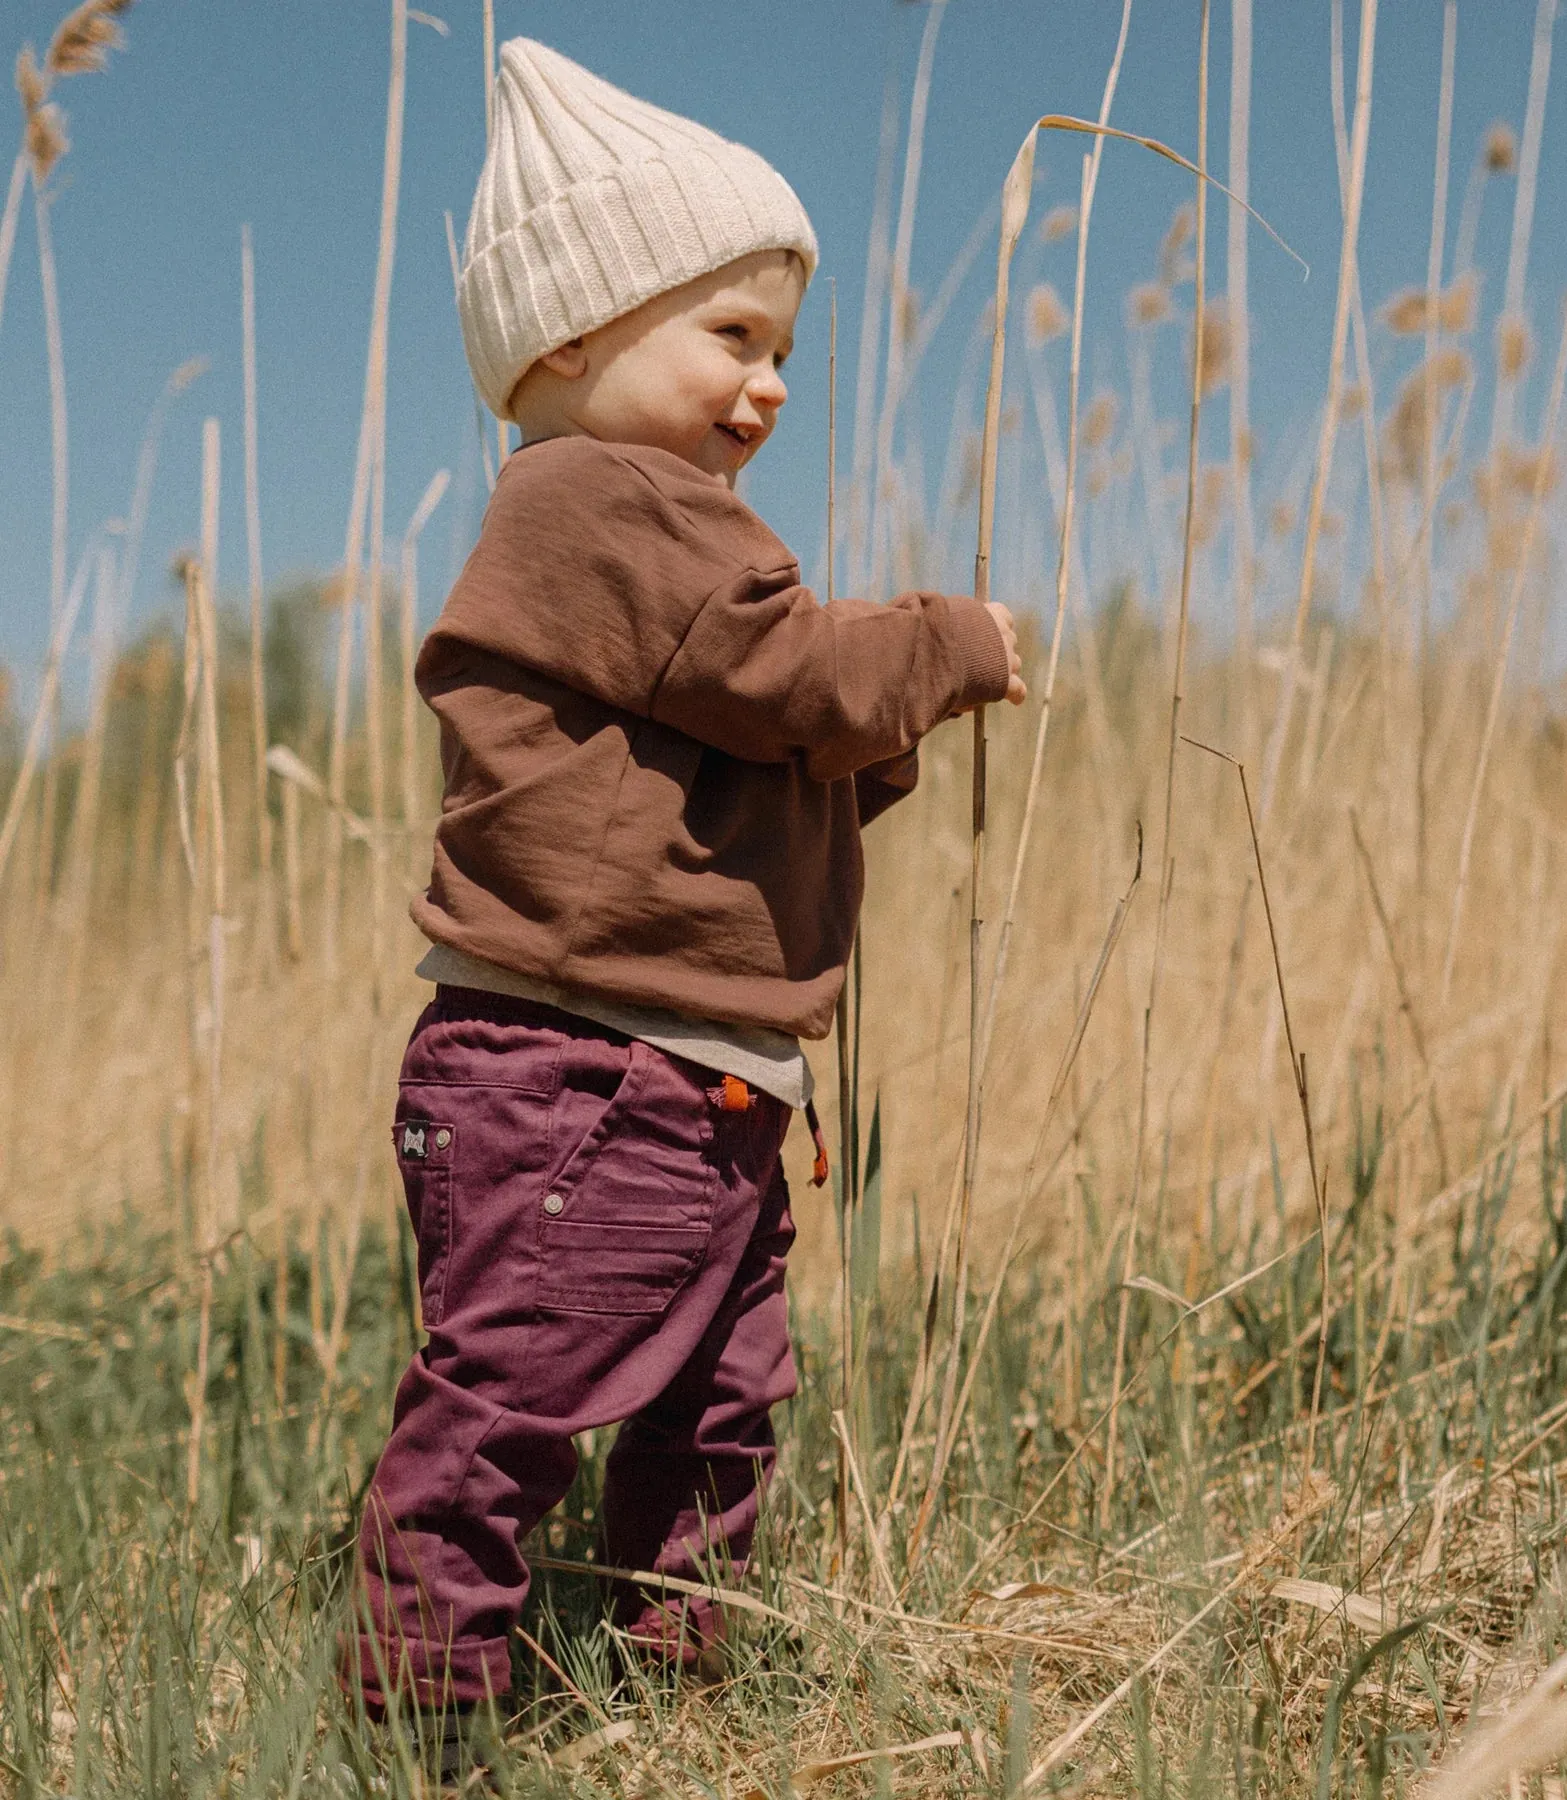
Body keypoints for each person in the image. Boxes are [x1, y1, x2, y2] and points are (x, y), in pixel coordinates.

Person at [349, 33, 1025, 1754]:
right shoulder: (601, 496)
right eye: (731, 334)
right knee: (516, 1392)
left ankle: (668, 1700)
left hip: (691, 1079)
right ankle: (420, 1719)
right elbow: (780, 677)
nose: (772, 384)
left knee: (718, 1405)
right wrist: (939, 645)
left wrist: (854, 739)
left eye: (783, 348)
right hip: (586, 1076)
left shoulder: (648, 522)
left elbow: (759, 736)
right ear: (574, 336)